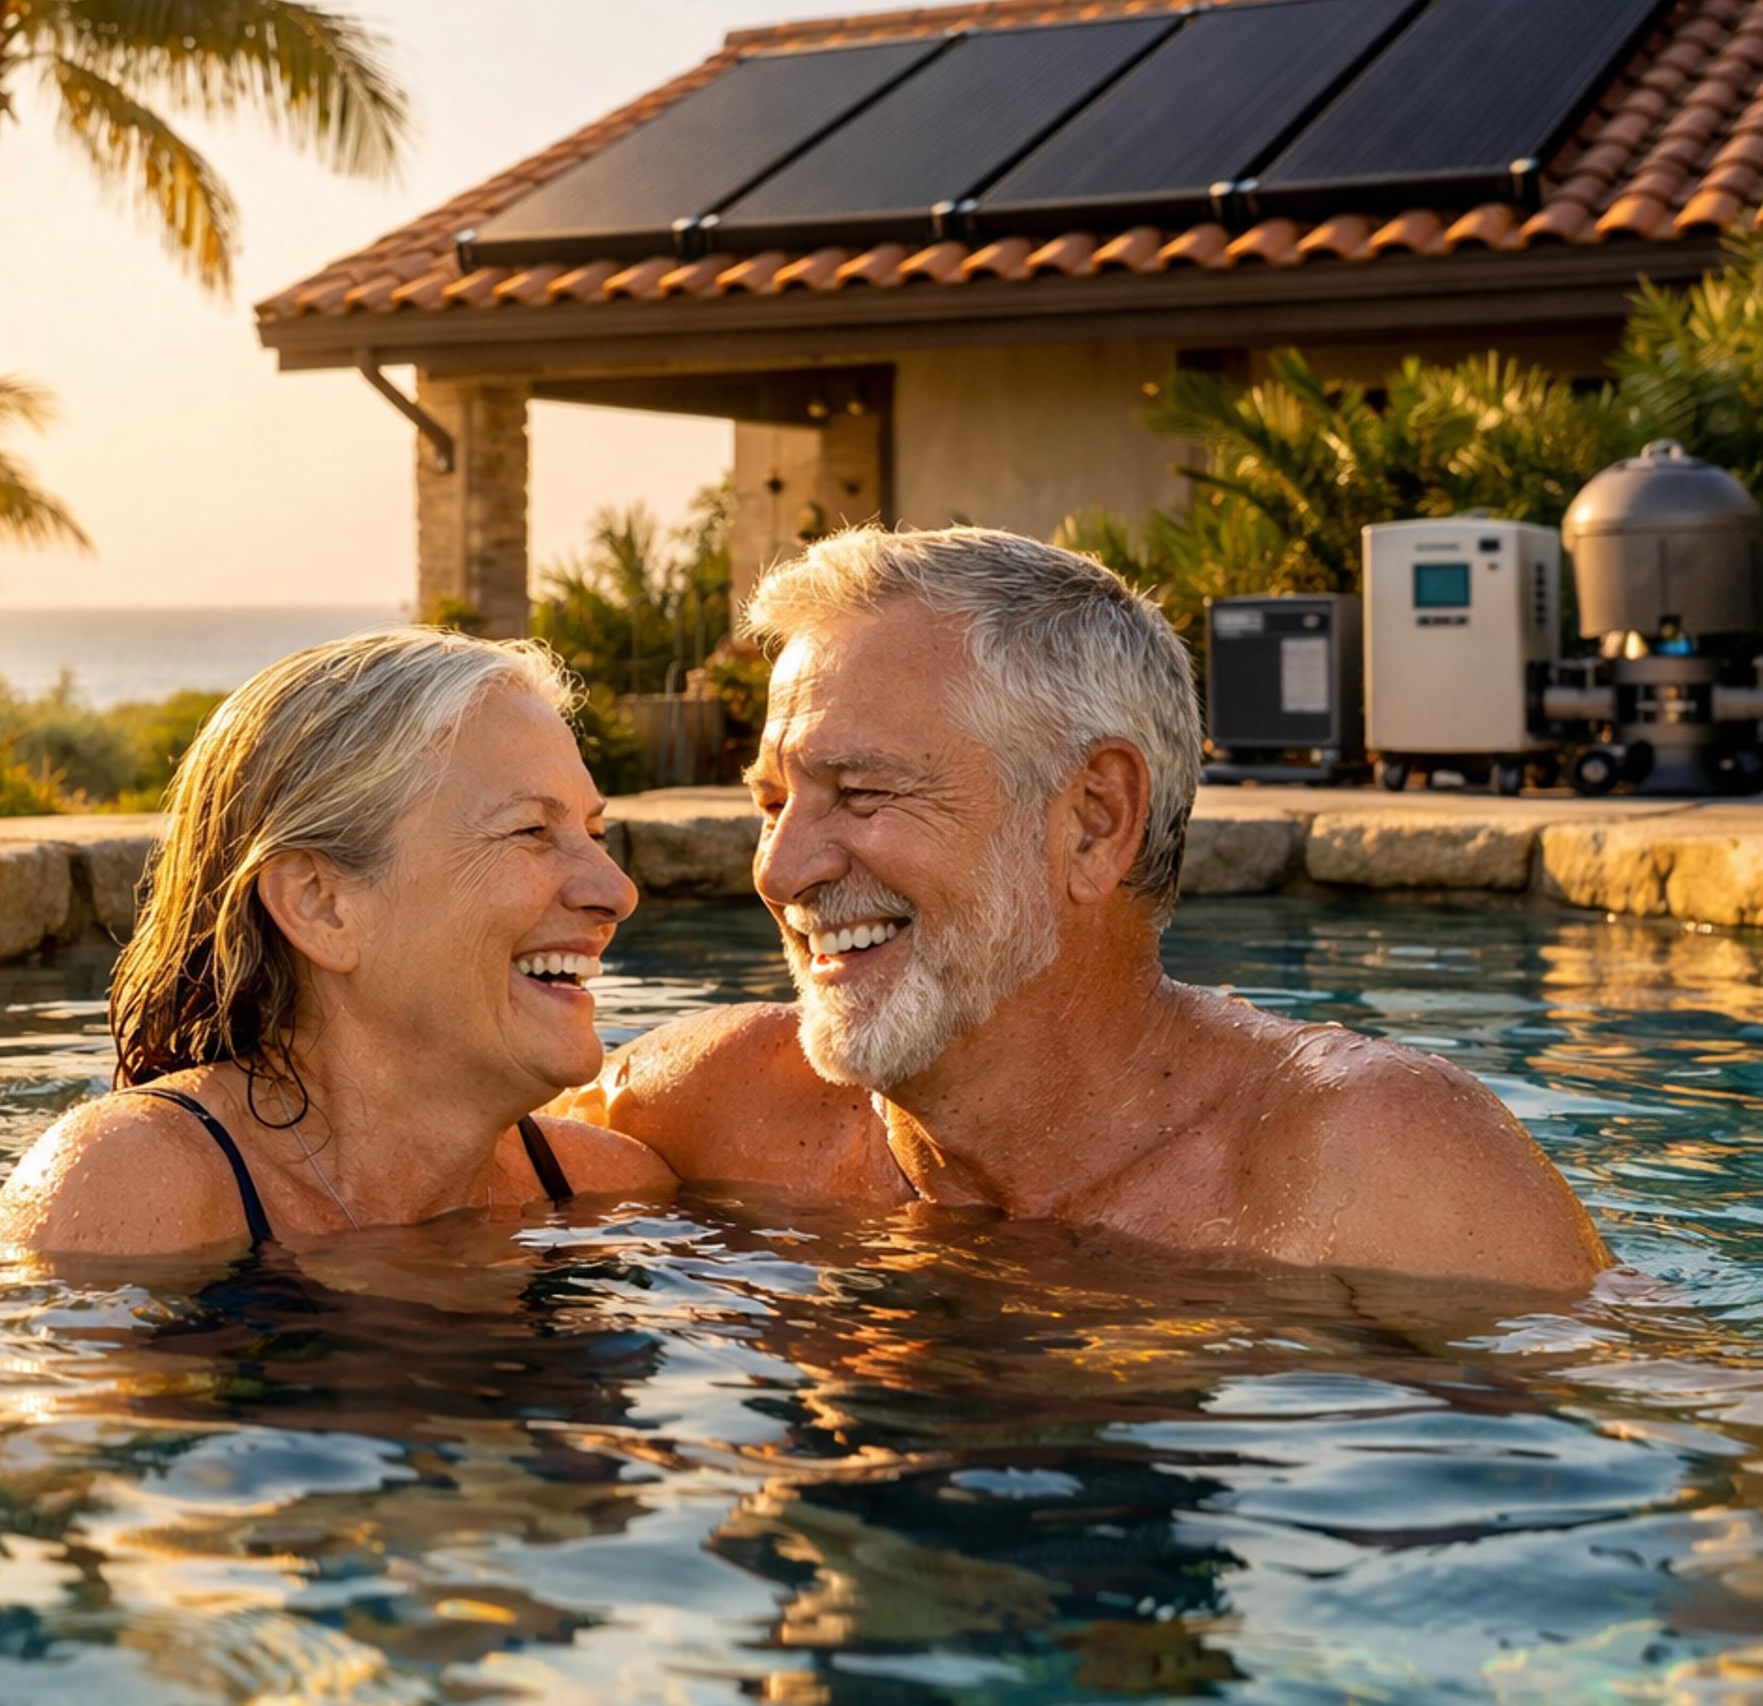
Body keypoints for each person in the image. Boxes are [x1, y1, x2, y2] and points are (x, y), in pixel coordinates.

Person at [561, 527, 1611, 1291]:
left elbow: (1675, 1443)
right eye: (774, 803)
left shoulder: (1370, 1172)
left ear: (1095, 821)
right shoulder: (709, 1111)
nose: (780, 873)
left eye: (864, 793)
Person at [0, 628, 669, 1257]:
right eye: (531, 832)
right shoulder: (130, 1194)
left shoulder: (605, 1196)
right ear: (320, 905)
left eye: (595, 834)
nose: (614, 891)